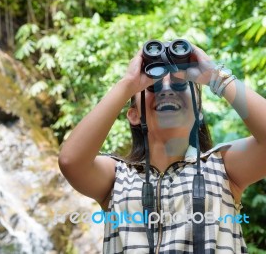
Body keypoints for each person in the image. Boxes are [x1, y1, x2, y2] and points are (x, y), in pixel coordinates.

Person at [58, 43, 266, 253]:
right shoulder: (116, 176)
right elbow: (71, 162)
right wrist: (128, 84)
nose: (166, 89)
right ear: (134, 115)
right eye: (152, 85)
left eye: (179, 83)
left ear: (198, 111)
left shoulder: (222, 167)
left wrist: (215, 75)